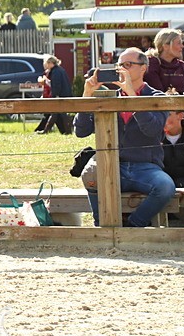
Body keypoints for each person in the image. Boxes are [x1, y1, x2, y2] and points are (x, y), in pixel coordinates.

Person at [74, 47, 174, 227]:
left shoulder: (156, 96)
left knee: (165, 187)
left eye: (128, 65)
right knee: (90, 174)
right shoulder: (107, 97)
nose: (122, 69)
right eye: (119, 65)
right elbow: (80, 131)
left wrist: (132, 97)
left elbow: (153, 130)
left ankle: (133, 225)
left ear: (143, 68)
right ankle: (102, 226)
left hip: (146, 167)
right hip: (112, 164)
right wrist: (86, 96)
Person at [33, 55, 73, 134]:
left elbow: (56, 85)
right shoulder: (60, 70)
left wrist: (55, 95)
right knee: (56, 114)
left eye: (46, 63)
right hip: (64, 94)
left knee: (59, 114)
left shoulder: (55, 72)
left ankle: (48, 131)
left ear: (51, 63)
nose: (45, 65)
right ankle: (49, 130)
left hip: (60, 96)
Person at [144, 28, 184, 94]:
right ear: (165, 46)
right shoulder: (152, 63)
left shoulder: (182, 66)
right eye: (179, 43)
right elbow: (157, 93)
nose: (182, 46)